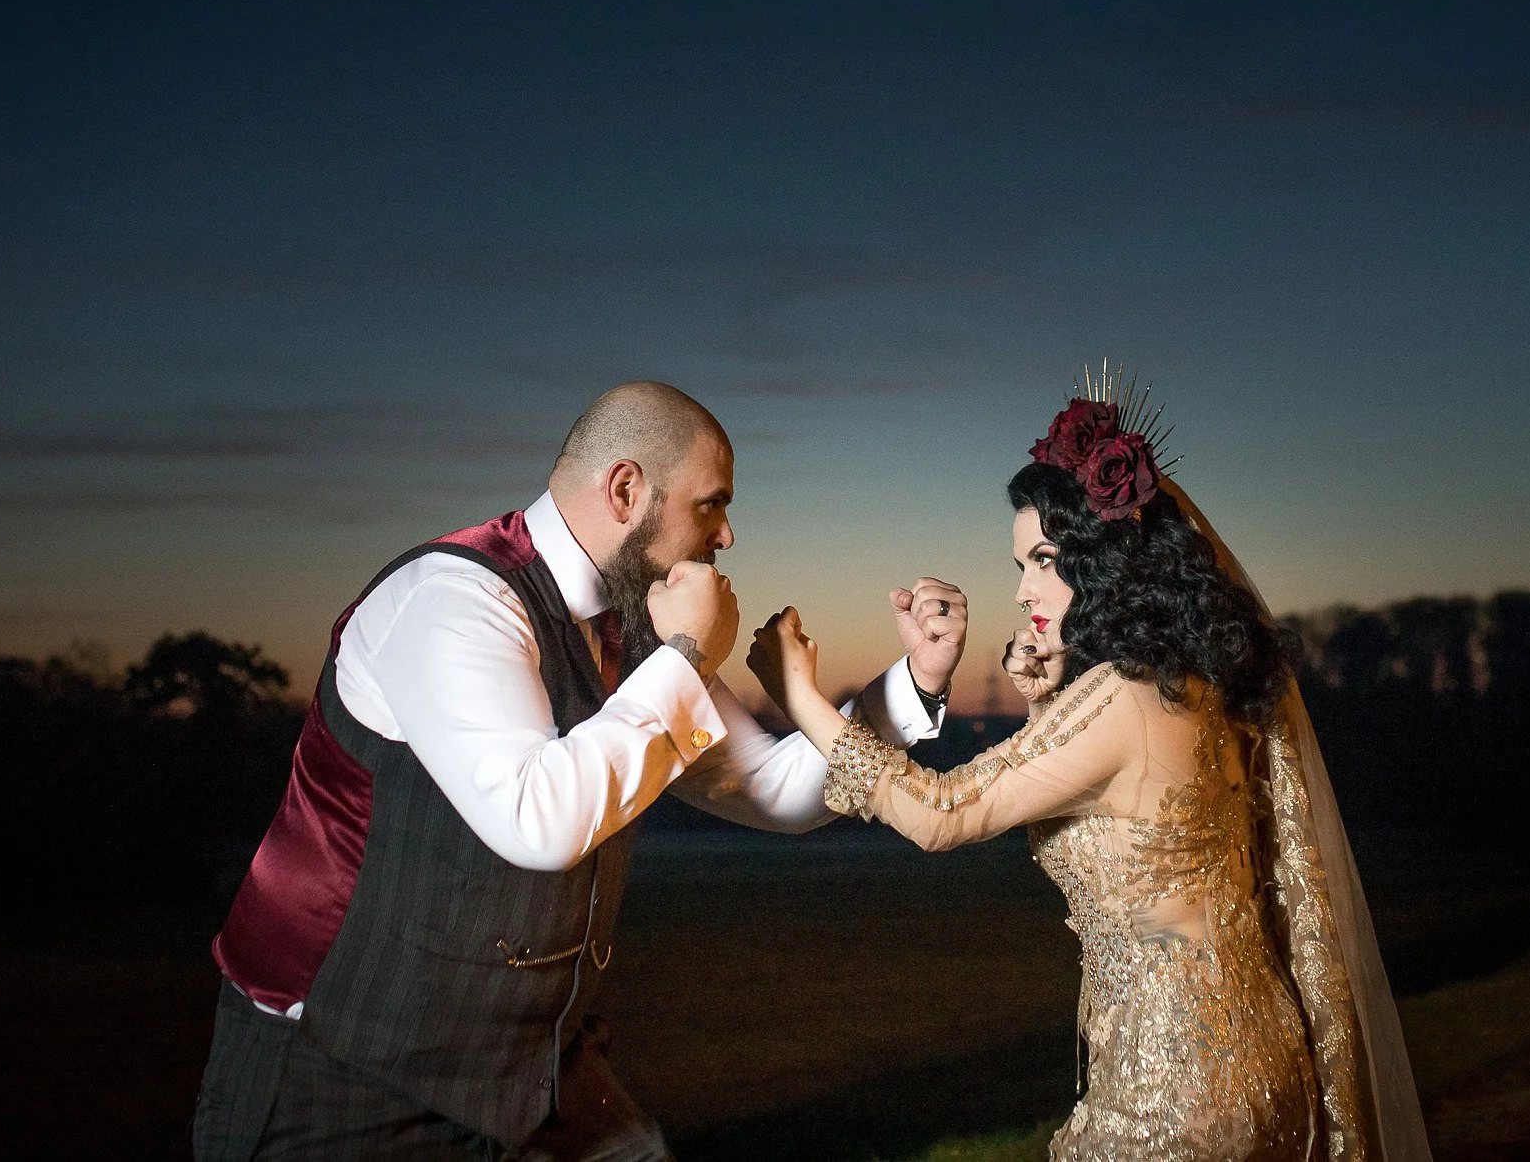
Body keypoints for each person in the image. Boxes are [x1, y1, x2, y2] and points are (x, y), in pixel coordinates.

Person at [192, 381, 969, 1160]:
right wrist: (688, 656)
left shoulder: (635, 627)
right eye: (711, 504)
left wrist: (912, 686)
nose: (727, 535)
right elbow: (539, 818)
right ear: (627, 489)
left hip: (533, 1072)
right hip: (343, 1075)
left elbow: (770, 788)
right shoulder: (453, 599)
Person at [748, 380, 1431, 1161]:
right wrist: (1044, 699)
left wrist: (801, 695)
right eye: (1020, 563)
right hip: (1261, 1058)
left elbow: (944, 812)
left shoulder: (1126, 698)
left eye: (1045, 560)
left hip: (1176, 1088)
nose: (1022, 589)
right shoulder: (1192, 677)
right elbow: (1121, 812)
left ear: (1105, 560)